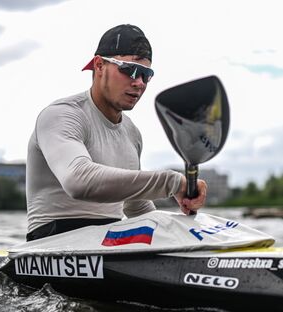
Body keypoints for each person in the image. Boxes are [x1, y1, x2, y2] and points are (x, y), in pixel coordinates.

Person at [25, 24, 207, 241]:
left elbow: (136, 207)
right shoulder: (61, 115)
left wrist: (183, 228)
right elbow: (78, 181)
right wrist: (172, 183)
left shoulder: (132, 133)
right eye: (129, 69)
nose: (139, 82)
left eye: (146, 75)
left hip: (109, 240)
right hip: (53, 241)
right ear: (99, 65)